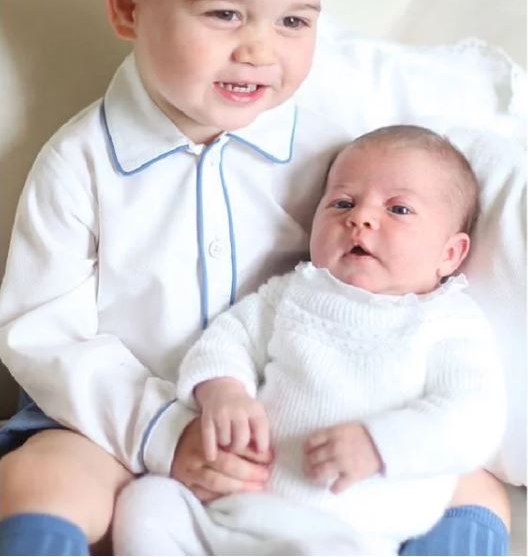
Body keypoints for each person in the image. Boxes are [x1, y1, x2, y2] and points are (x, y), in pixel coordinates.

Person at [0, 0, 510, 557]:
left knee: (474, 484)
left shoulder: (338, 125)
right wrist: (165, 433)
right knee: (39, 478)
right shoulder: (80, 164)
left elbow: (472, 92)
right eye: (225, 13)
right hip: (116, 425)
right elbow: (45, 334)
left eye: (294, 20)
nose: (260, 49)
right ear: (128, 5)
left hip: (300, 421)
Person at [112, 125, 506, 555]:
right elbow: (227, 340)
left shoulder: (447, 322)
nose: (360, 217)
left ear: (450, 254)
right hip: (230, 514)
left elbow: (474, 419)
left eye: (398, 209)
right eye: (342, 202)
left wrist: (379, 444)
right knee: (147, 503)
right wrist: (224, 392)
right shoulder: (294, 293)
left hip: (343, 536)